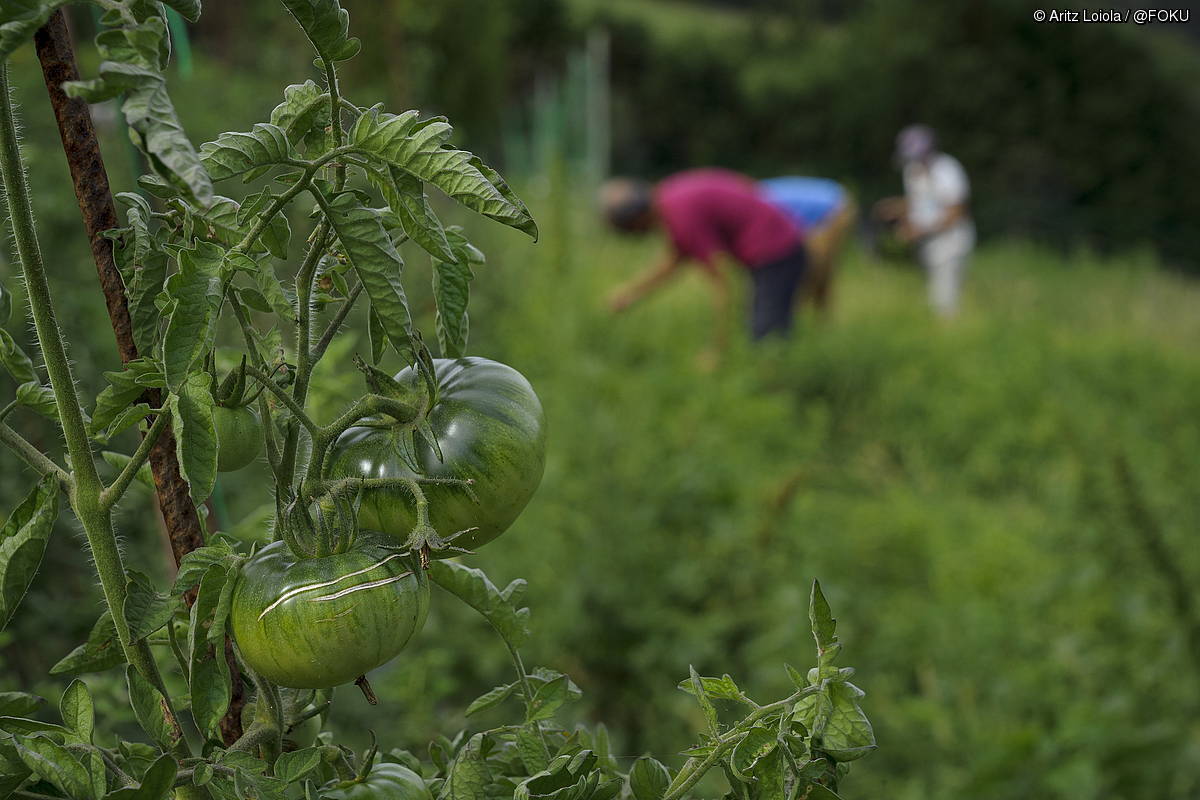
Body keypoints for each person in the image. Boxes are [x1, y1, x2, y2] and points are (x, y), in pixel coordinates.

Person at [602, 169, 808, 357]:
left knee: (767, 336)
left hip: (776, 248)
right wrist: (632, 293)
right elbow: (674, 261)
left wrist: (717, 349)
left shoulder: (680, 217)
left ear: (638, 220)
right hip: (777, 241)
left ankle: (778, 385)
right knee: (764, 326)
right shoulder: (670, 196)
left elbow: (724, 282)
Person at [877, 125, 975, 316]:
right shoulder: (912, 170)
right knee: (932, 295)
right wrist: (896, 208)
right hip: (928, 242)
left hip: (951, 242)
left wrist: (918, 230)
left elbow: (956, 213)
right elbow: (920, 202)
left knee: (945, 300)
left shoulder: (948, 171)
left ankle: (949, 337)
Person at [759, 177, 857, 312]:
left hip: (833, 208)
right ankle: (810, 315)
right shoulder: (756, 196)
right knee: (811, 269)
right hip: (834, 198)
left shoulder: (757, 203)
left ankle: (815, 315)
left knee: (817, 268)